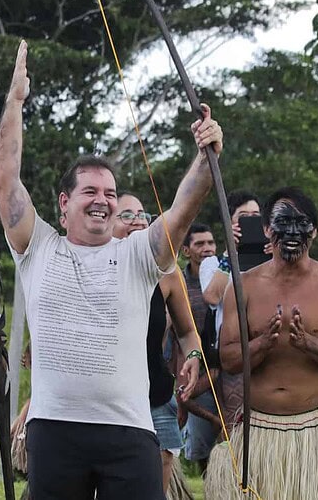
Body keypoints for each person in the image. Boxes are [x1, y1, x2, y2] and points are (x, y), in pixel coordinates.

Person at [0, 40, 221, 499]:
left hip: (129, 430)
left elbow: (180, 212)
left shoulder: (138, 254)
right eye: (90, 191)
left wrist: (205, 154)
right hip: (55, 428)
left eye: (111, 192)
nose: (103, 200)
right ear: (64, 203)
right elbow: (4, 180)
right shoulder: (38, 247)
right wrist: (14, 101)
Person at [207, 187, 318, 499]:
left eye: (302, 224)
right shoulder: (243, 286)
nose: (293, 232)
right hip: (260, 431)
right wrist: (264, 344)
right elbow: (228, 359)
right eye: (283, 223)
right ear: (267, 229)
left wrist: (309, 344)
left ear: (315, 232)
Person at [108, 192, 203, 494]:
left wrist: (194, 355)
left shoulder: (166, 271)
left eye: (142, 215)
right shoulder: (96, 268)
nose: (137, 221)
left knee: (154, 488)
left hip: (155, 395)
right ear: (108, 221)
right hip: (106, 399)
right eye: (126, 215)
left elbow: (188, 331)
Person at [201, 190, 262, 421]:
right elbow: (212, 297)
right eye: (244, 216)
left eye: (256, 216)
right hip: (233, 353)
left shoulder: (273, 262)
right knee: (235, 423)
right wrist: (229, 254)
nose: (251, 221)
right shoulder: (214, 262)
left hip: (268, 350)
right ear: (230, 221)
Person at [179, 223, 223, 474]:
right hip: (195, 370)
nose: (207, 248)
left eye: (211, 243)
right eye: (200, 244)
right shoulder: (180, 285)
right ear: (186, 250)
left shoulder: (223, 276)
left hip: (227, 368)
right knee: (203, 448)